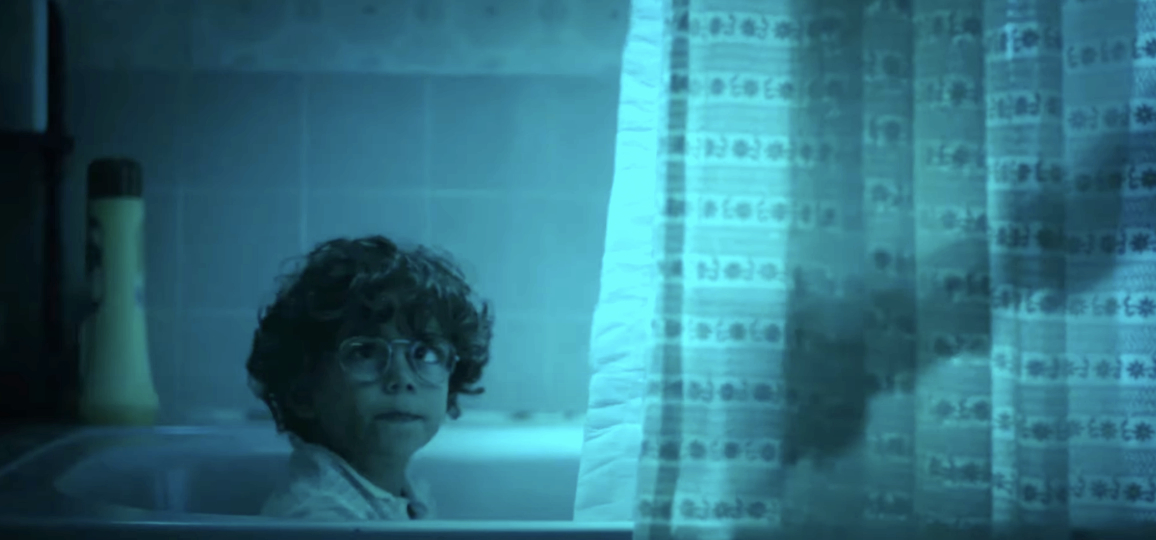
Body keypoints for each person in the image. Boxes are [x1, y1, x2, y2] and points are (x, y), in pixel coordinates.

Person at [246, 235, 493, 520]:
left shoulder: (398, 490)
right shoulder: (320, 517)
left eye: (424, 353)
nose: (402, 378)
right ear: (302, 390)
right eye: (365, 352)